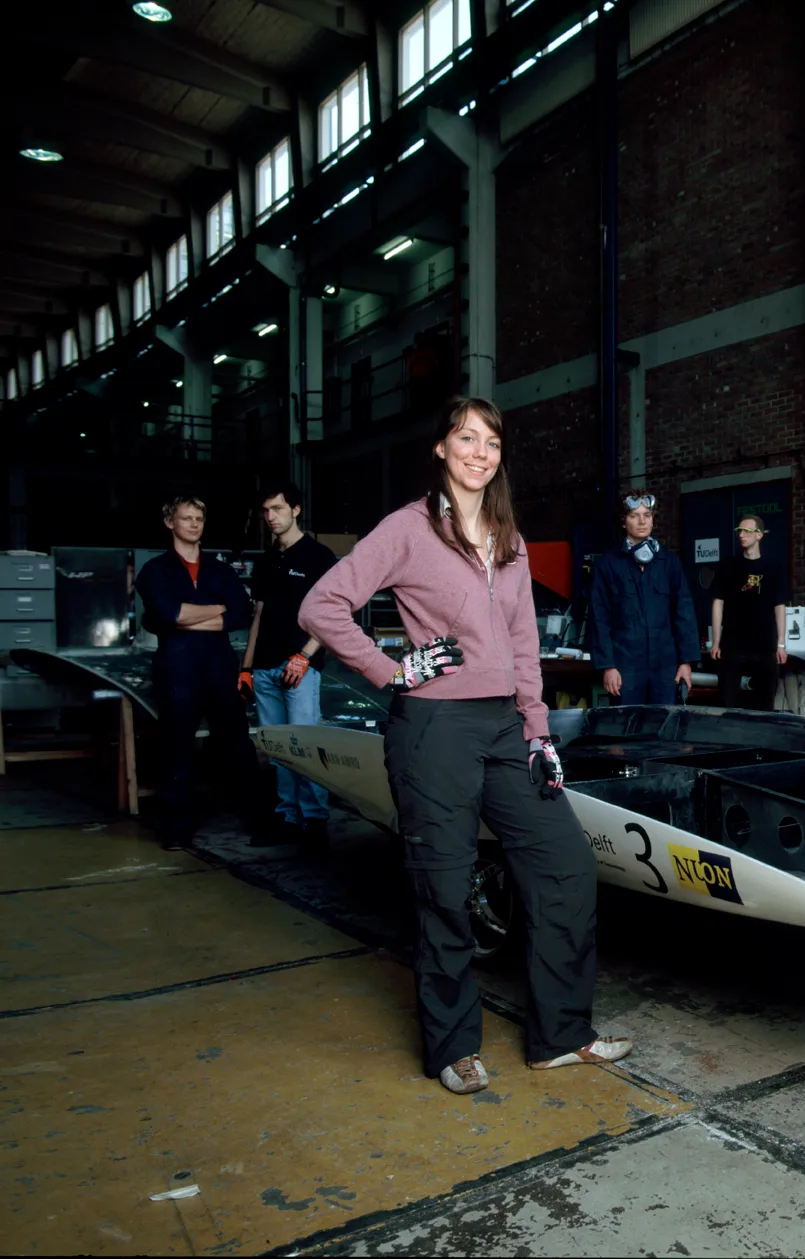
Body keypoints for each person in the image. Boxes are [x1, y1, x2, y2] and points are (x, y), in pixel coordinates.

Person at [300, 397, 629, 1096]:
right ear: (441, 448)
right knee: (445, 887)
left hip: (506, 727)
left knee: (565, 864)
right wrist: (392, 670)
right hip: (434, 730)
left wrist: (538, 731)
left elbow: (523, 643)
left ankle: (560, 1035)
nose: (480, 452)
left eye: (492, 442)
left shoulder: (508, 538)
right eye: (467, 438)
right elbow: (321, 606)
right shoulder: (408, 528)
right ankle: (454, 1046)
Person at [135, 496, 260, 851]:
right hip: (177, 668)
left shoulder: (220, 570)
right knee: (177, 745)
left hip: (220, 667)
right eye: (186, 518)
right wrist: (216, 609)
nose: (193, 524)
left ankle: (256, 817)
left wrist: (186, 618)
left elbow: (241, 612)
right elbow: (167, 613)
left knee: (236, 742)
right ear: (169, 522)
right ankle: (177, 828)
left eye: (199, 519)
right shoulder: (155, 571)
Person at [241, 483, 337, 848]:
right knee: (278, 749)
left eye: (278, 509)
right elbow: (259, 614)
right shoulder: (267, 560)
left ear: (296, 510)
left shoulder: (318, 556)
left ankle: (314, 821)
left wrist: (305, 655)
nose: (271, 517)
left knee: (305, 746)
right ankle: (288, 818)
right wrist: (246, 667)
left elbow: (333, 613)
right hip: (265, 669)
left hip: (299, 667)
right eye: (266, 511)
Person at [588, 492, 699, 705]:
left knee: (663, 722)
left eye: (647, 515)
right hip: (625, 667)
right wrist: (608, 666)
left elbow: (684, 612)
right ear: (623, 521)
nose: (642, 521)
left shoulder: (669, 563)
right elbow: (599, 618)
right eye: (634, 515)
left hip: (664, 666)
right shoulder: (608, 565)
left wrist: (686, 662)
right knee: (627, 722)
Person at [712, 514, 788, 711]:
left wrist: (781, 643)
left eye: (747, 531)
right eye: (739, 531)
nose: (741, 535)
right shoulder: (728, 566)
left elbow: (780, 605)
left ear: (759, 535)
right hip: (733, 644)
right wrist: (716, 641)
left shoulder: (773, 567)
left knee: (765, 703)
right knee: (726, 702)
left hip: (765, 645)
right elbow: (718, 602)